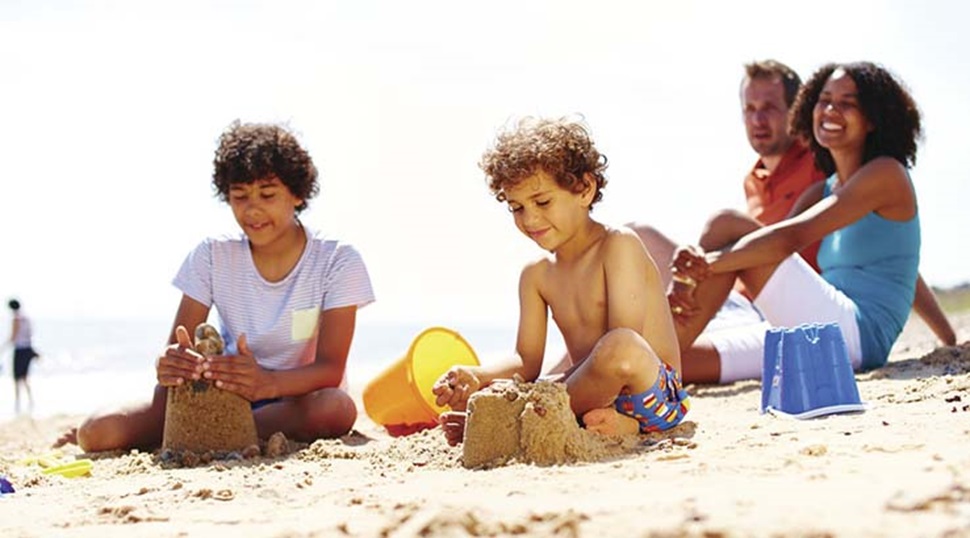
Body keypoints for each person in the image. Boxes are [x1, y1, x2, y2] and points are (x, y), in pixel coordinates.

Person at [629, 60, 955, 384]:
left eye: (847, 103)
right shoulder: (822, 191)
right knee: (683, 361)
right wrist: (949, 340)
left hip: (854, 334)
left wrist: (707, 265)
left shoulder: (887, 173)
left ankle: (656, 350)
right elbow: (776, 243)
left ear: (872, 119)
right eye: (824, 100)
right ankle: (648, 365)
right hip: (816, 332)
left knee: (726, 225)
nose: (829, 110)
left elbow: (787, 241)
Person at [59, 121, 375, 452]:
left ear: (297, 194)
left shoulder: (337, 260)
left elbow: (329, 368)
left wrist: (265, 383)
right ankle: (217, 427)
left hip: (296, 400)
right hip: (222, 392)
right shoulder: (212, 256)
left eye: (267, 195)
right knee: (96, 433)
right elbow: (175, 350)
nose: (252, 209)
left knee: (336, 409)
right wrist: (171, 363)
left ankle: (213, 430)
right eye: (239, 196)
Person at [432, 116, 689, 441]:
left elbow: (623, 346)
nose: (530, 218)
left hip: (653, 394)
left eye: (542, 202)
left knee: (619, 345)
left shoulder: (618, 245)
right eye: (516, 207)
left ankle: (517, 422)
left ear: (585, 189)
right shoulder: (536, 275)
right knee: (501, 388)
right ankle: (598, 423)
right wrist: (477, 375)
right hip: (587, 396)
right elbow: (526, 362)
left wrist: (542, 392)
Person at [7, 299, 39, 414]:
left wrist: (2, 348)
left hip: (20, 350)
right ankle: (30, 402)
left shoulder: (16, 319)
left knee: (17, 378)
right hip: (29, 348)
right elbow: (30, 334)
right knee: (25, 377)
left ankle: (18, 403)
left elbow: (13, 337)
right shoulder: (26, 318)